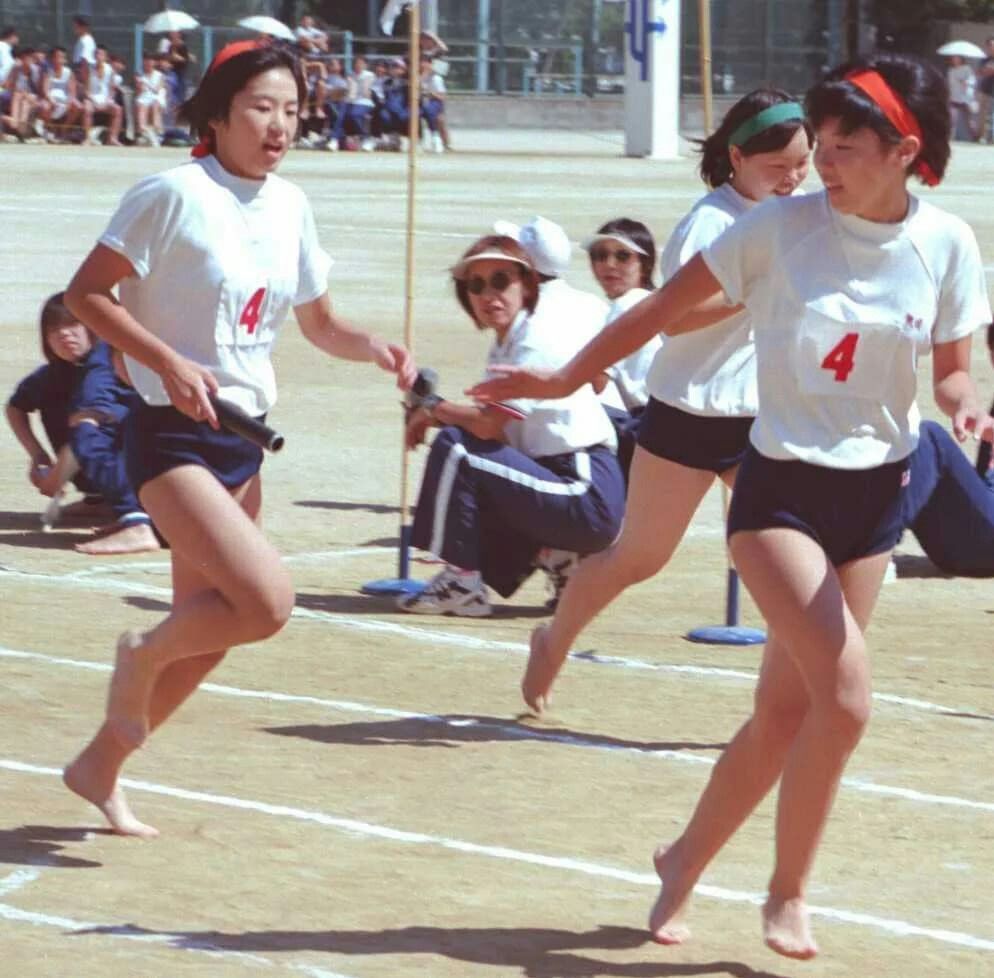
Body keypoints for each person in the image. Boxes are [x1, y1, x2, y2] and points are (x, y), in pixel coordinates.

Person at [471, 53, 992, 958]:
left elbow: (951, 367)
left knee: (785, 714)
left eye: (845, 146)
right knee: (846, 700)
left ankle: (681, 860)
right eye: (820, 142)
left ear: (904, 152)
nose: (822, 162)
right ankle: (787, 892)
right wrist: (562, 378)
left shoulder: (946, 242)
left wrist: (965, 402)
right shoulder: (777, 229)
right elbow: (653, 313)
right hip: (780, 494)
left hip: (880, 497)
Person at [60, 40, 414, 838]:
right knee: (266, 603)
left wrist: (373, 348)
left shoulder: (290, 205)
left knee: (211, 634)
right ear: (217, 114)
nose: (279, 125)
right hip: (170, 436)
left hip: (242, 444)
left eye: (291, 109)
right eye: (261, 107)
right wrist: (165, 360)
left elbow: (319, 323)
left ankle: (99, 767)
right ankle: (138, 654)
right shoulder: (172, 194)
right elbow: (86, 295)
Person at [482, 91, 812, 710]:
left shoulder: (796, 216)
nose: (794, 178)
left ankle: (793, 699)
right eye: (779, 166)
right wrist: (755, 291)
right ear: (738, 158)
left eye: (803, 163)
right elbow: (675, 319)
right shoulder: (711, 222)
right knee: (639, 557)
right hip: (687, 416)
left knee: (791, 556)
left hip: (761, 420)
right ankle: (554, 638)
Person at [398, 235, 624, 617]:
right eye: (476, 285)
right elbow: (498, 435)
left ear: (527, 286)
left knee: (456, 447)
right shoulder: (509, 341)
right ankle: (561, 557)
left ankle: (462, 582)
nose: (489, 295)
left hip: (585, 490)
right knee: (472, 460)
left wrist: (434, 409)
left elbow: (488, 426)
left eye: (501, 281)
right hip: (567, 485)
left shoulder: (534, 340)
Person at [6, 293, 159, 554]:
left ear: (92, 327)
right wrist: (38, 455)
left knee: (90, 431)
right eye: (54, 329)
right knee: (56, 405)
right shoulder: (59, 371)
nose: (64, 334)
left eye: (73, 324)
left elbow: (88, 428)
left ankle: (136, 520)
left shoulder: (104, 360)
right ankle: (100, 500)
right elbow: (15, 407)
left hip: (155, 468)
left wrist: (55, 478)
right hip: (131, 462)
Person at [582, 218, 660, 480]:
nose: (609, 264)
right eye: (600, 256)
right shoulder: (657, 301)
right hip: (671, 421)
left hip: (649, 425)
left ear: (645, 264)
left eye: (623, 256)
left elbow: (596, 381)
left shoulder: (626, 305)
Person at [81, 45, 123, 146]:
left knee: (118, 110)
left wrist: (107, 101)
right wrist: (94, 101)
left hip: (106, 100)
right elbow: (86, 90)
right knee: (87, 109)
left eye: (101, 54)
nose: (98, 56)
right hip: (91, 99)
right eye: (97, 54)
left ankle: (112, 138)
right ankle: (88, 138)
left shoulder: (110, 70)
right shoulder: (89, 69)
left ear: (105, 57)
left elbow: (112, 90)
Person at [134, 51, 166, 144]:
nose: (148, 63)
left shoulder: (160, 75)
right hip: (144, 97)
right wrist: (140, 85)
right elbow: (139, 92)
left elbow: (157, 90)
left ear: (154, 62)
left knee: (155, 105)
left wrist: (147, 86)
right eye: (146, 60)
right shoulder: (139, 75)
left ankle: (157, 132)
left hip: (156, 98)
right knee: (141, 105)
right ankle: (142, 132)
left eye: (151, 60)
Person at [946, 54, 976, 141]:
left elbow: (972, 80)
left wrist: (966, 82)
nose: (955, 60)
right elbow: (949, 84)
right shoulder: (951, 70)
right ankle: (950, 137)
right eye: (953, 58)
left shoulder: (967, 68)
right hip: (953, 97)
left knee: (969, 120)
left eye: (957, 58)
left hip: (964, 98)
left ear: (961, 59)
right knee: (952, 118)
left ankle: (975, 136)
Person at [977, 38, 994, 144]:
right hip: (985, 90)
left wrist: (989, 71)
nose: (992, 48)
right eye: (990, 46)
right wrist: (988, 71)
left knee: (992, 115)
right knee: (983, 115)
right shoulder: (984, 60)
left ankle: (991, 138)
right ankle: (982, 136)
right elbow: (980, 72)